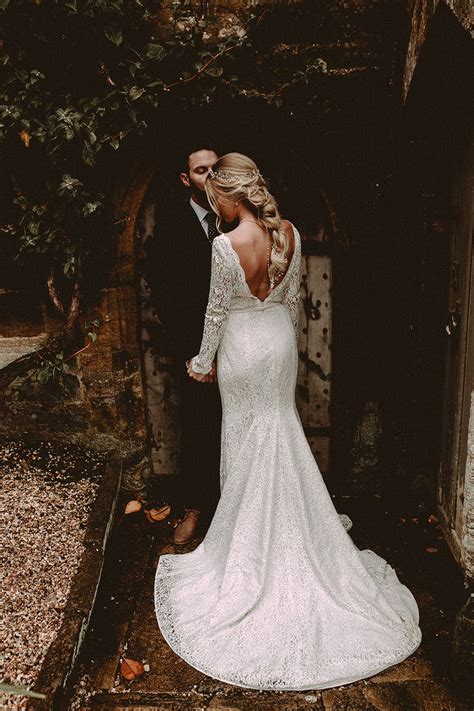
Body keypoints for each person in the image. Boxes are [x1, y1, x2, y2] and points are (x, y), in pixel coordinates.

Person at [154, 152, 421, 690]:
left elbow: (215, 311)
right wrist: (282, 340)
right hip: (276, 343)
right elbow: (295, 302)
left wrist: (202, 362)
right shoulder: (290, 235)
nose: (216, 206)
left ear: (230, 197)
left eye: (217, 198)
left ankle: (248, 552)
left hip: (240, 348)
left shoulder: (225, 246)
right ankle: (295, 532)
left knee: (247, 440)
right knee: (281, 431)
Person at [144, 144, 223, 544]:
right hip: (196, 349)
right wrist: (193, 351)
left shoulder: (236, 220)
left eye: (214, 167)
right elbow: (164, 290)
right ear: (185, 178)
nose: (209, 175)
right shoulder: (173, 222)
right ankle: (196, 508)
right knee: (199, 427)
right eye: (200, 170)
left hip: (241, 344)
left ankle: (242, 510)